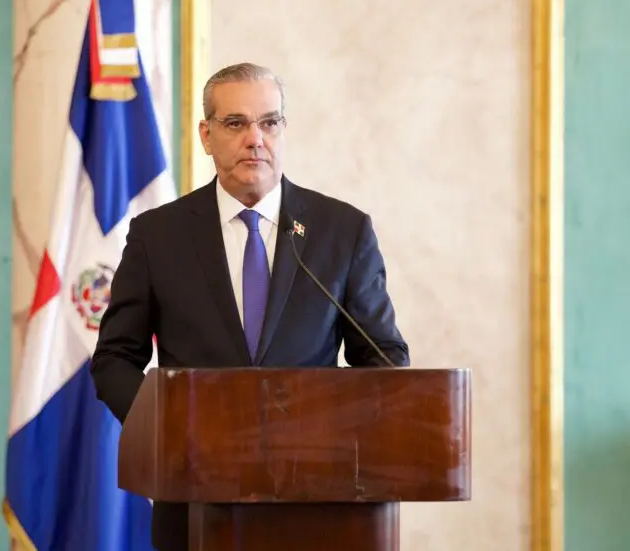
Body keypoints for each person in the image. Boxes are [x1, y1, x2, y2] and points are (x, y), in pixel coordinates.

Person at [90, 62, 409, 551]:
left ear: (284, 130)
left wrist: (333, 433)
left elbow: (384, 358)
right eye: (236, 123)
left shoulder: (342, 231)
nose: (255, 139)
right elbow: (115, 358)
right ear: (207, 135)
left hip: (317, 503)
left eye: (269, 122)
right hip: (195, 500)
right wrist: (168, 429)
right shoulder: (158, 235)